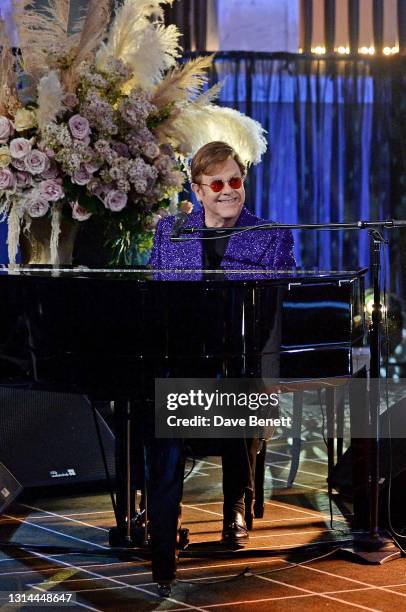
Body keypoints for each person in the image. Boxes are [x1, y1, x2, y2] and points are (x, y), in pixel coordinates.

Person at [149, 141, 295, 548]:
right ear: (197, 191)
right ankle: (162, 511)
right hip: (183, 355)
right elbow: (155, 294)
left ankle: (234, 506)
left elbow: (278, 309)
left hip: (245, 356)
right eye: (217, 184)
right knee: (153, 398)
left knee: (239, 390)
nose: (229, 190)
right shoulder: (170, 231)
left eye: (235, 180)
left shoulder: (270, 236)